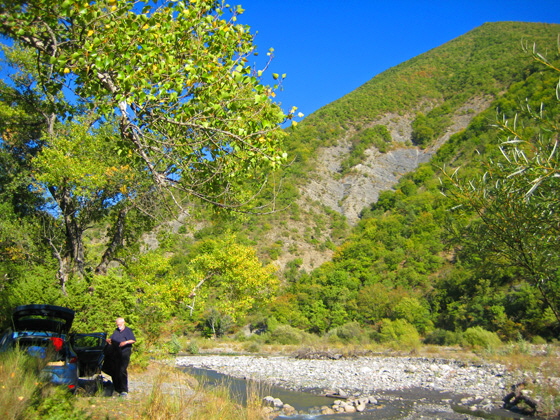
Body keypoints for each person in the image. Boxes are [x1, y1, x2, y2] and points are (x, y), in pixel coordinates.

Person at [106, 317, 136, 397]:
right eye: (117, 324)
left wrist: (125, 342)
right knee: (114, 370)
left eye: (119, 324)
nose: (118, 325)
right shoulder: (116, 331)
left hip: (124, 352)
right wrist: (109, 341)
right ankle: (117, 388)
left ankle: (124, 390)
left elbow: (133, 340)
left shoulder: (127, 330)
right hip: (116, 353)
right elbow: (112, 339)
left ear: (123, 323)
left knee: (122, 370)